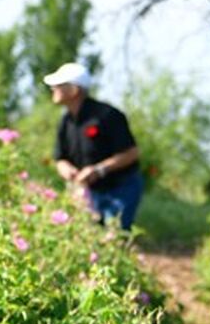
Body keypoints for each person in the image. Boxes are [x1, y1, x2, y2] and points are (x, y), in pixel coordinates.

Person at [45, 61, 144, 231]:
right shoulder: (66, 121)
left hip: (121, 188)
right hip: (91, 192)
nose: (53, 89)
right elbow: (60, 158)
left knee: (114, 235)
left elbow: (132, 153)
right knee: (91, 237)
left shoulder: (108, 115)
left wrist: (99, 170)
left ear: (74, 90)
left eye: (58, 85)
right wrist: (67, 170)